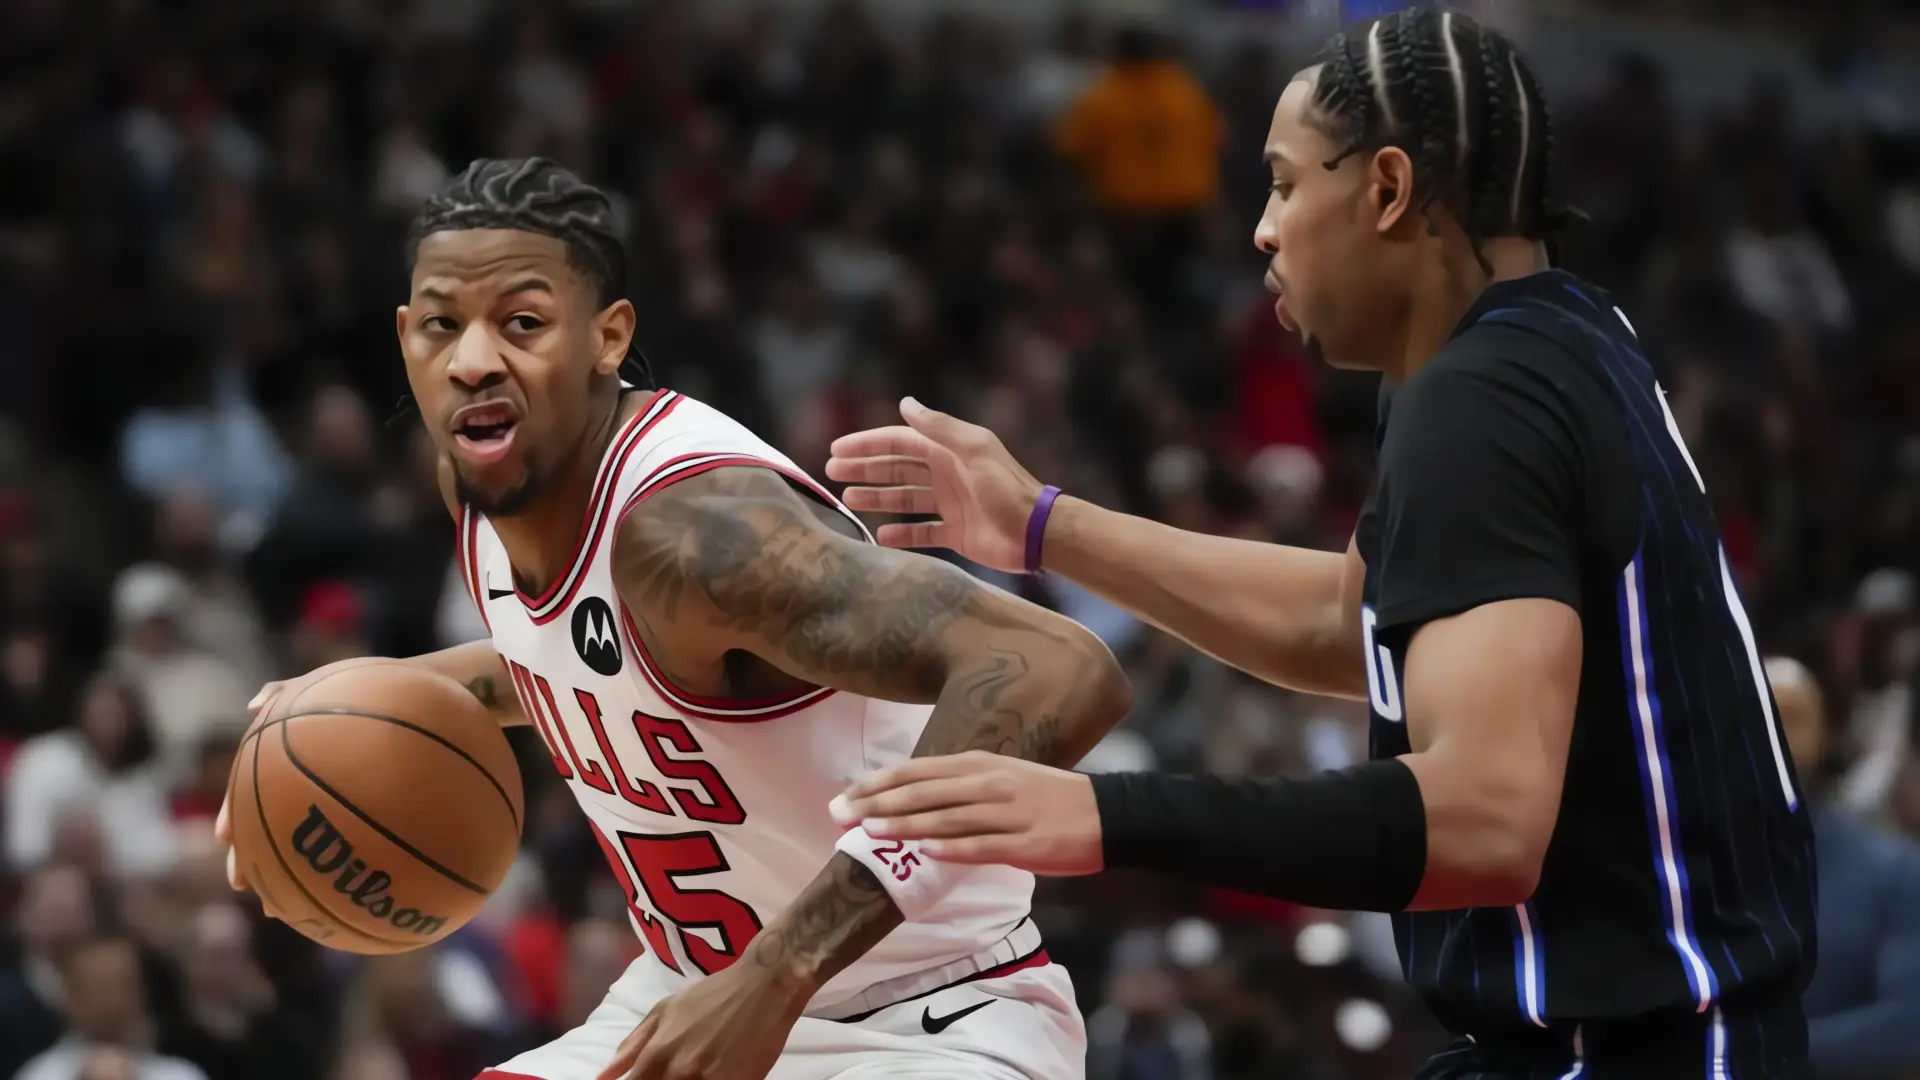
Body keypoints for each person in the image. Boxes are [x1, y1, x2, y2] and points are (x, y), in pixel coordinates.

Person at [826, 8, 1814, 1079]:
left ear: (1388, 190)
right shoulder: (1555, 342)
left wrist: (1100, 813)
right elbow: (1352, 623)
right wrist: (1042, 526)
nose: (1262, 227)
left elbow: (1483, 825)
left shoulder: (1487, 398)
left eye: (1287, 183)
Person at [213, 157, 1132, 1080]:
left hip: (926, 1017)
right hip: (688, 991)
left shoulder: (698, 532)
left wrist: (779, 972)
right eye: (444, 326)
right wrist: (338, 710)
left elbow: (1056, 665)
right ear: (408, 338)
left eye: (523, 323)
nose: (475, 359)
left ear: (607, 339)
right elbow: (581, 663)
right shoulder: (487, 471)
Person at [1771, 655, 1920, 1079]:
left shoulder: (1894, 872)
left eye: (1790, 716)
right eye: (1754, 714)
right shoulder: (1676, 875)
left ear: (1826, 733)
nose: (1773, 734)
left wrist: (1756, 1053)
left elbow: (1911, 1025)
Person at [15, 935, 210, 1080]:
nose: (114, 1002)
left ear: (143, 994)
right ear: (71, 999)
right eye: (100, 989)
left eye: (124, 986)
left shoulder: (182, 1075)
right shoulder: (41, 1076)